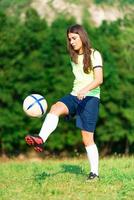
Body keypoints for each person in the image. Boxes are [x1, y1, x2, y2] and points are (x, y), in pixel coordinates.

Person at [25, 24, 103, 181]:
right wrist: (79, 92)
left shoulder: (94, 54)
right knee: (55, 108)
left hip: (91, 98)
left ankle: (94, 173)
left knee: (87, 138)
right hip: (74, 95)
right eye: (69, 39)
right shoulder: (73, 57)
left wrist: (85, 90)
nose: (72, 42)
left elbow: (99, 79)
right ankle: (41, 139)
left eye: (74, 38)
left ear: (82, 36)